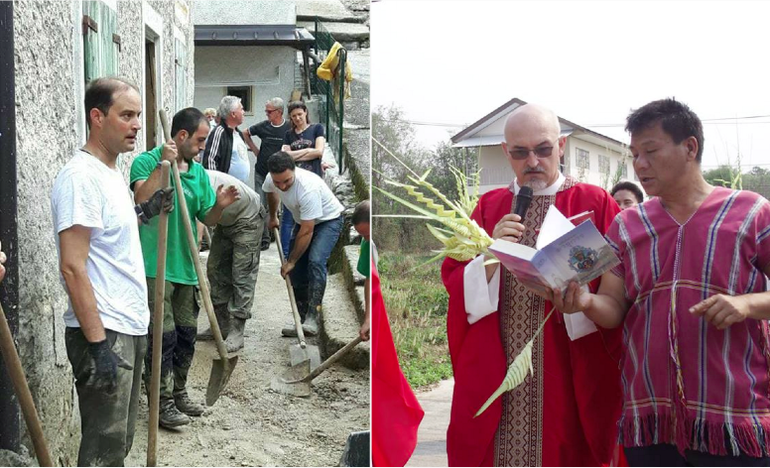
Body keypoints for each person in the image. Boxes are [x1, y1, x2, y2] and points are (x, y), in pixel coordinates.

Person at [547, 98, 770, 466]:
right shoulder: (627, 225)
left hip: (734, 417)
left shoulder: (750, 213)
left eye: (650, 151)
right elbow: (614, 308)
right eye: (634, 154)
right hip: (650, 421)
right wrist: (584, 302)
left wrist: (746, 304)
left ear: (690, 147)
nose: (640, 164)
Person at [441, 104, 624, 466]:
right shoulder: (489, 207)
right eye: (521, 152)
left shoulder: (593, 202)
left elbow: (617, 291)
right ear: (507, 153)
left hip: (565, 364)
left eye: (543, 149)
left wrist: (581, 300)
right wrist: (490, 255)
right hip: (499, 364)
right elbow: (457, 283)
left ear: (562, 146)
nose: (533, 162)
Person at [51, 77, 171, 466]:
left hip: (128, 326)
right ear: (97, 117)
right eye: (127, 115)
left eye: (138, 115)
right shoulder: (80, 177)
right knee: (104, 451)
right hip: (106, 332)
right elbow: (72, 266)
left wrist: (145, 212)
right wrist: (98, 345)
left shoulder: (110, 173)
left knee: (119, 444)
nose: (137, 124)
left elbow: (109, 237)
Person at [130, 107, 239, 429]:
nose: (204, 145)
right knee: (160, 339)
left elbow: (206, 218)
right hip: (155, 266)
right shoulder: (147, 162)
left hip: (186, 269)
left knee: (187, 335)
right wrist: (163, 167)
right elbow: (140, 198)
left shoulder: (199, 173)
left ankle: (178, 393)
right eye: (201, 139)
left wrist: (218, 206)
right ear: (181, 136)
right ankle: (160, 403)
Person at [263, 151, 343, 337]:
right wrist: (273, 216)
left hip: (328, 221)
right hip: (304, 222)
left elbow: (307, 230)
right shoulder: (272, 178)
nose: (282, 186)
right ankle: (301, 323)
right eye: (278, 182)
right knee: (295, 272)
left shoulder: (308, 188)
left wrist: (291, 260)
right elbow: (270, 192)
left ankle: (313, 317)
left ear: (294, 171)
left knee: (315, 261)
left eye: (287, 181)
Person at [200, 169, 266, 353]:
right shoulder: (182, 181)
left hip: (248, 218)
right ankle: (221, 325)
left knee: (242, 274)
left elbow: (198, 225)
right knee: (215, 269)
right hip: (225, 221)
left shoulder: (201, 184)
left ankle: (237, 330)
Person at [278, 100, 326, 259]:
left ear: (305, 112)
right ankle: (286, 254)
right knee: (288, 217)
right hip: (293, 181)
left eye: (299, 114)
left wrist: (296, 153)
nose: (297, 118)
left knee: (311, 220)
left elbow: (319, 152)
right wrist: (308, 151)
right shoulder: (288, 134)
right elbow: (285, 156)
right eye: (293, 116)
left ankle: (310, 252)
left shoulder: (317, 129)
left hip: (314, 181)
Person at [242, 97, 291, 251]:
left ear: (279, 112)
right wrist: (256, 150)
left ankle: (276, 236)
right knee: (260, 205)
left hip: (280, 176)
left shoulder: (288, 128)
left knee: (277, 207)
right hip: (262, 171)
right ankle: (263, 239)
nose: (267, 114)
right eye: (266, 111)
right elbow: (245, 133)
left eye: (269, 111)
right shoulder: (263, 126)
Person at [202, 95, 244, 176]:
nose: (243, 112)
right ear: (233, 114)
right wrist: (217, 185)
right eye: (241, 109)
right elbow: (210, 161)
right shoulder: (219, 132)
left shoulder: (239, 134)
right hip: (224, 187)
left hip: (239, 186)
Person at [352, 200, 372, 341]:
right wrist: (368, 319)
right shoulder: (366, 244)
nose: (365, 239)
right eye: (362, 235)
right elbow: (369, 280)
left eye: (368, 234)